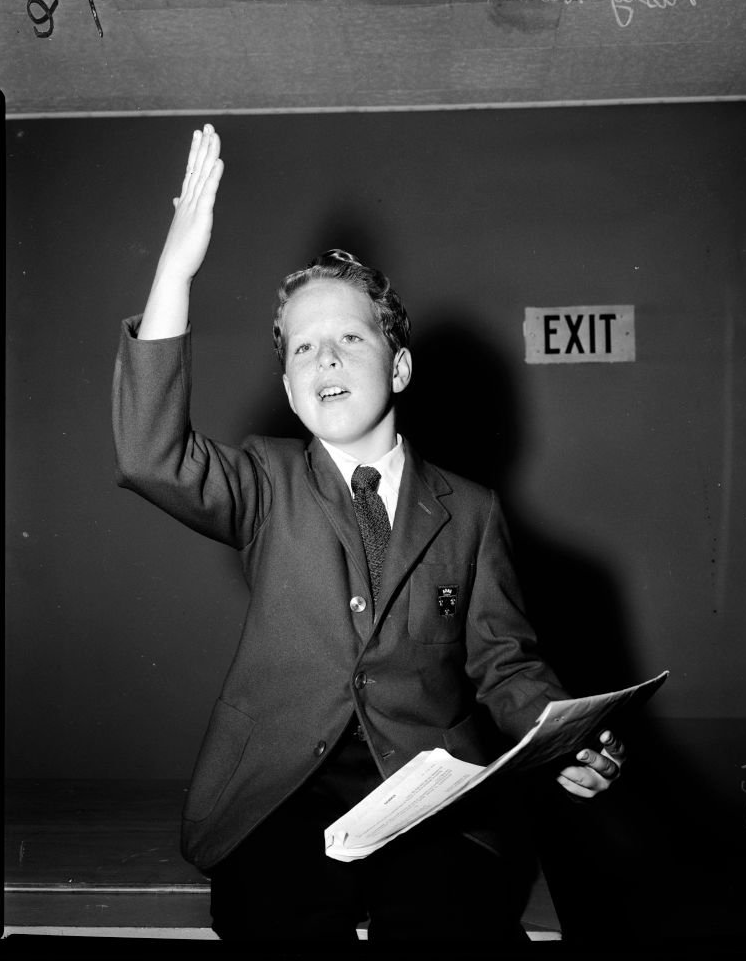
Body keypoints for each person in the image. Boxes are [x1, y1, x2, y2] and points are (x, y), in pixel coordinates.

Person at [112, 124, 625, 953]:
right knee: (274, 923)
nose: (326, 358)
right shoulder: (263, 480)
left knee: (455, 927)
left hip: (430, 793)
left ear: (398, 367)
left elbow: (505, 660)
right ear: (288, 384)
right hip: (277, 794)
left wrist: (559, 736)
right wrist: (176, 268)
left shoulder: (473, 509)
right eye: (304, 347)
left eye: (350, 336)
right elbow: (149, 455)